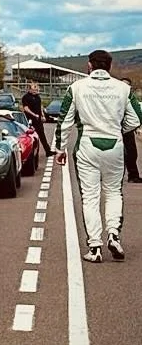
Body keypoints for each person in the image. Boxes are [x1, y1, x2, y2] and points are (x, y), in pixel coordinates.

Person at [56, 49, 140, 262]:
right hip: (115, 146)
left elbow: (64, 120)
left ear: (89, 65)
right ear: (110, 67)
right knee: (113, 192)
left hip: (87, 146)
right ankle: (113, 234)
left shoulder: (76, 87)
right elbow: (137, 118)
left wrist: (60, 148)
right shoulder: (123, 88)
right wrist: (118, 130)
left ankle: (94, 247)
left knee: (90, 197)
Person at [21, 80, 52, 157]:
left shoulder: (38, 97)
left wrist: (43, 115)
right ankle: (31, 153)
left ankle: (48, 151)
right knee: (31, 137)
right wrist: (34, 115)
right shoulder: (25, 97)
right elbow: (26, 108)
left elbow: (40, 106)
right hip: (30, 120)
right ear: (29, 89)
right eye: (34, 89)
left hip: (38, 120)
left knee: (42, 135)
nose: (35, 91)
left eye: (36, 90)